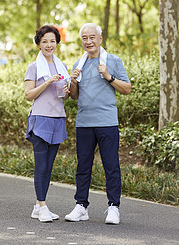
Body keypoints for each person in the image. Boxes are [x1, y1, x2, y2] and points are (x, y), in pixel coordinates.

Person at [65, 23, 131, 224]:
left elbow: (127, 89)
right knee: (83, 167)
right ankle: (81, 206)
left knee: (111, 166)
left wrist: (109, 77)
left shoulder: (113, 60)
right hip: (84, 123)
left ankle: (113, 207)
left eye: (92, 37)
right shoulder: (79, 63)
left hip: (107, 122)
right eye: (84, 38)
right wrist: (73, 82)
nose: (88, 41)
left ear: (100, 39)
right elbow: (74, 97)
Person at [24, 25, 70, 222]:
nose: (49, 45)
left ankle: (38, 206)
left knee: (49, 167)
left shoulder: (62, 66)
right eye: (45, 41)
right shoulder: (34, 67)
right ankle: (42, 205)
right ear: (39, 44)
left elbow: (63, 96)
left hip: (57, 119)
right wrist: (46, 82)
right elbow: (28, 95)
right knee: (41, 166)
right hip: (40, 119)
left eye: (52, 41)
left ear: (56, 43)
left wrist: (66, 91)